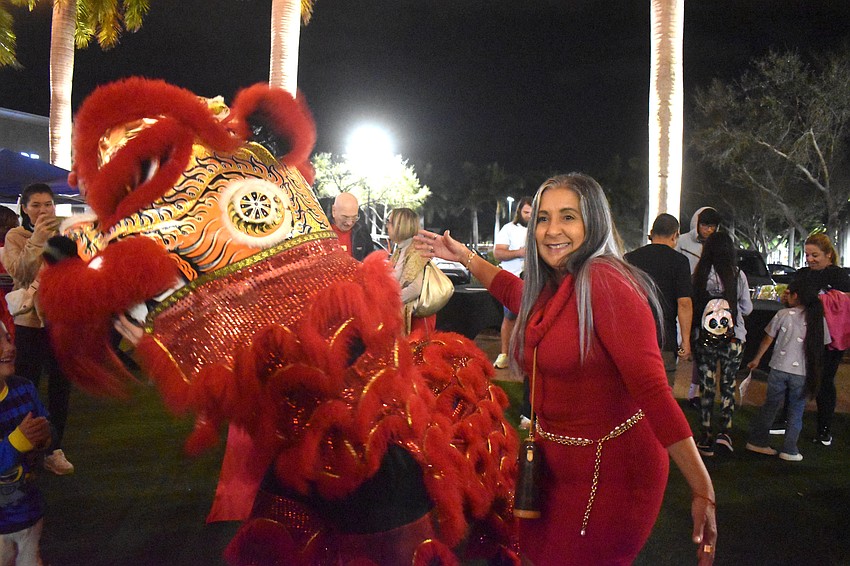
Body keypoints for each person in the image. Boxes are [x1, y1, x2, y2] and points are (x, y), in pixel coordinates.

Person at [416, 173, 717, 565]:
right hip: (555, 466)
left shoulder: (607, 282)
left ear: (594, 223)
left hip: (614, 472)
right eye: (543, 218)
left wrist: (702, 487)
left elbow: (654, 392)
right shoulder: (557, 283)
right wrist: (465, 257)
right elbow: (517, 293)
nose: (551, 229)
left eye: (568, 217)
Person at [1, 184, 73, 475]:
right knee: (26, 383)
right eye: (36, 205)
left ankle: (53, 447)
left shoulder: (65, 233)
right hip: (29, 322)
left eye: (48, 204)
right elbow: (19, 273)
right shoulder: (15, 236)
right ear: (24, 208)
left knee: (60, 386)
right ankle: (25, 446)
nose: (43, 210)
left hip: (61, 320)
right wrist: (37, 239)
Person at [745, 280, 828, 461]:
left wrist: (756, 359)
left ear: (795, 295)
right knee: (796, 410)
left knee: (771, 405)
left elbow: (767, 339)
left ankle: (758, 441)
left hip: (779, 367)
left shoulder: (783, 314)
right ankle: (790, 449)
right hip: (802, 372)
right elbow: (823, 345)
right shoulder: (817, 319)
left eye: (788, 293)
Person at [691, 232, 752, 457]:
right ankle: (724, 433)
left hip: (704, 338)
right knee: (728, 384)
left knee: (707, 385)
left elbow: (693, 305)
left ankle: (705, 436)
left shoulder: (699, 274)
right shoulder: (737, 274)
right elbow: (747, 308)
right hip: (733, 337)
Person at [0, 320, 52, 565]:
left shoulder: (24, 388)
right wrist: (15, 443)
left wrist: (44, 439)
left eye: (8, 339)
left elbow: (46, 428)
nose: (9, 347)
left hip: (28, 511)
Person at [792, 233, 850, 446]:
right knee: (795, 377)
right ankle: (787, 418)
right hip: (802, 334)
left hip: (831, 339)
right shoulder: (802, 274)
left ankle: (824, 428)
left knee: (825, 380)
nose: (810, 259)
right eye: (807, 255)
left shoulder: (839, 275)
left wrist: (816, 299)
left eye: (815, 255)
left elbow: (844, 305)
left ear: (828, 255)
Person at [625, 213, 693, 382]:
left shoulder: (630, 259)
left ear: (652, 233)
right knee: (662, 389)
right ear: (675, 235)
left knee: (634, 390)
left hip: (634, 338)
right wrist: (686, 341)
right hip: (665, 339)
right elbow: (684, 303)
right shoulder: (680, 262)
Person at [677, 207, 721, 407]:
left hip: (706, 302)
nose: (708, 230)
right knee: (680, 344)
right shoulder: (683, 241)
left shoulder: (718, 244)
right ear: (697, 224)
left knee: (703, 349)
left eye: (712, 227)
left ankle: (694, 393)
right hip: (685, 296)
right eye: (705, 225)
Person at [492, 197, 532, 369]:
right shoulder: (508, 229)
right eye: (526, 212)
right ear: (519, 212)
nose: (529, 216)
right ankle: (505, 354)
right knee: (510, 317)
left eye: (532, 213)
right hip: (513, 280)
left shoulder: (539, 229)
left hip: (533, 280)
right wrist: (519, 253)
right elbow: (498, 253)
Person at [386, 207, 434, 335]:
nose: (387, 226)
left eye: (389, 222)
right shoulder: (401, 249)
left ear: (399, 226)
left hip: (416, 322)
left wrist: (389, 301)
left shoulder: (416, 250)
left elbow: (415, 289)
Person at [331, 192, 375, 261]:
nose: (349, 223)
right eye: (345, 217)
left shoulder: (362, 232)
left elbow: (370, 260)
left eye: (354, 217)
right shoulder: (321, 229)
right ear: (334, 211)